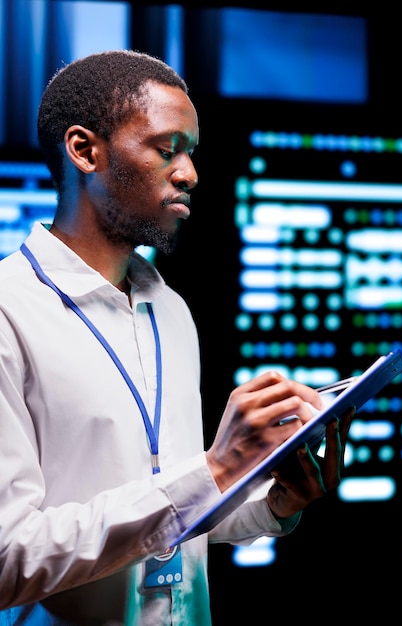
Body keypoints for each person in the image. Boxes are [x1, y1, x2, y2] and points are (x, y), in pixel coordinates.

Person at [0, 50, 353, 626]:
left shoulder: (171, 310)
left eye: (191, 152)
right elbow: (7, 559)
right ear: (85, 151)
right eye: (168, 150)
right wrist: (216, 470)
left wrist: (276, 500)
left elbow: (175, 522)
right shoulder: (7, 312)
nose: (190, 173)